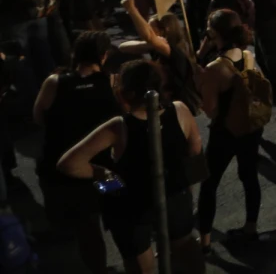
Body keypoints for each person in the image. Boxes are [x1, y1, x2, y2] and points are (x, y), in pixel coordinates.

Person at [57, 60, 205, 274]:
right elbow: (195, 152)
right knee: (186, 250)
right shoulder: (180, 110)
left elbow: (69, 164)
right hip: (174, 193)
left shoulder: (119, 127)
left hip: (130, 204)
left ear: (126, 92)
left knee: (139, 264)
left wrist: (104, 176)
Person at [32, 31, 120, 274]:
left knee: (74, 226)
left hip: (57, 170)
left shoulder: (54, 82)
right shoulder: (110, 82)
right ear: (103, 56)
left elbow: (38, 117)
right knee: (103, 217)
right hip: (99, 171)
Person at [196, 9, 263, 251]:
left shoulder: (216, 68)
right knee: (249, 176)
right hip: (250, 128)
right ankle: (251, 227)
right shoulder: (248, 56)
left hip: (225, 132)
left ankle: (204, 240)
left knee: (209, 183)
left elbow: (210, 110)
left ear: (214, 34)